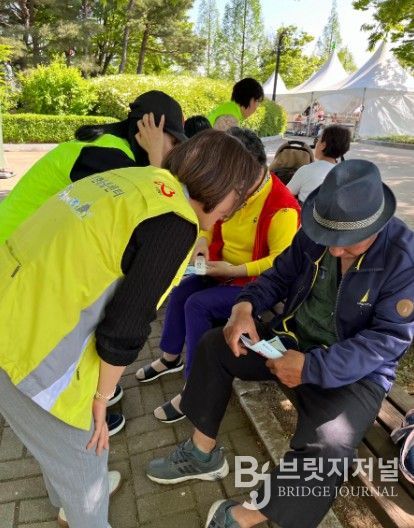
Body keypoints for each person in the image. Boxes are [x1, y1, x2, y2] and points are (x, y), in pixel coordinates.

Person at [0, 129, 262, 528]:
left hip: (13, 312)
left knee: (59, 450)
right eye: (238, 196)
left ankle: (69, 500)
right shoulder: (174, 224)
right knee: (89, 447)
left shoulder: (136, 179)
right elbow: (124, 328)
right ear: (220, 185)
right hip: (33, 354)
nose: (237, 208)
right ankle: (83, 509)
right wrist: (102, 398)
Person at [146, 159, 414, 528]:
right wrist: (244, 306)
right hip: (291, 341)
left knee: (329, 446)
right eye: (329, 240)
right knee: (215, 344)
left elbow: (385, 342)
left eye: (348, 244)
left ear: (377, 226)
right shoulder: (316, 231)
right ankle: (201, 453)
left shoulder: (404, 259)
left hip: (356, 374)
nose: (335, 251)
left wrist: (311, 367)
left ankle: (247, 515)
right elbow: (278, 276)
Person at [136, 128, 300, 423]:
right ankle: (170, 357)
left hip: (256, 285)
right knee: (183, 289)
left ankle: (194, 388)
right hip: (222, 271)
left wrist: (234, 269)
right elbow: (210, 223)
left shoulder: (282, 207)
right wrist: (202, 242)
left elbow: (281, 264)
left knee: (197, 304)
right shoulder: (234, 189)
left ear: (250, 169)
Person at [0, 90, 186, 246]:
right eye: (174, 142)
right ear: (148, 129)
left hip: (21, 246)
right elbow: (156, 220)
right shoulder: (107, 156)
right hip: (12, 250)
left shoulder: (109, 146)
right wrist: (156, 157)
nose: (175, 152)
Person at [287, 124, 351, 204]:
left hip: (306, 211)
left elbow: (286, 194)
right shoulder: (346, 176)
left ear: (323, 145)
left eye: (318, 140)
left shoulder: (306, 170)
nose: (316, 143)